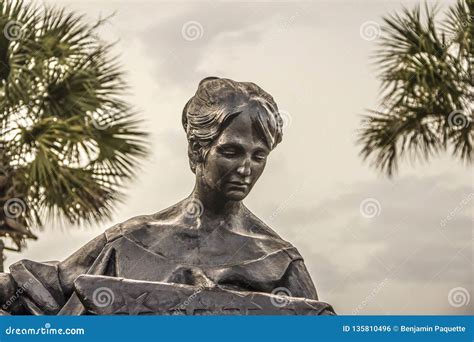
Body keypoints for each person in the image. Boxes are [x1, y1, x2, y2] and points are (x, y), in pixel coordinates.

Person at [0, 77, 334, 315]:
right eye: (231, 151)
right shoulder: (130, 240)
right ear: (196, 150)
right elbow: (43, 287)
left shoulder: (279, 262)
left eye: (258, 156)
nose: (246, 168)